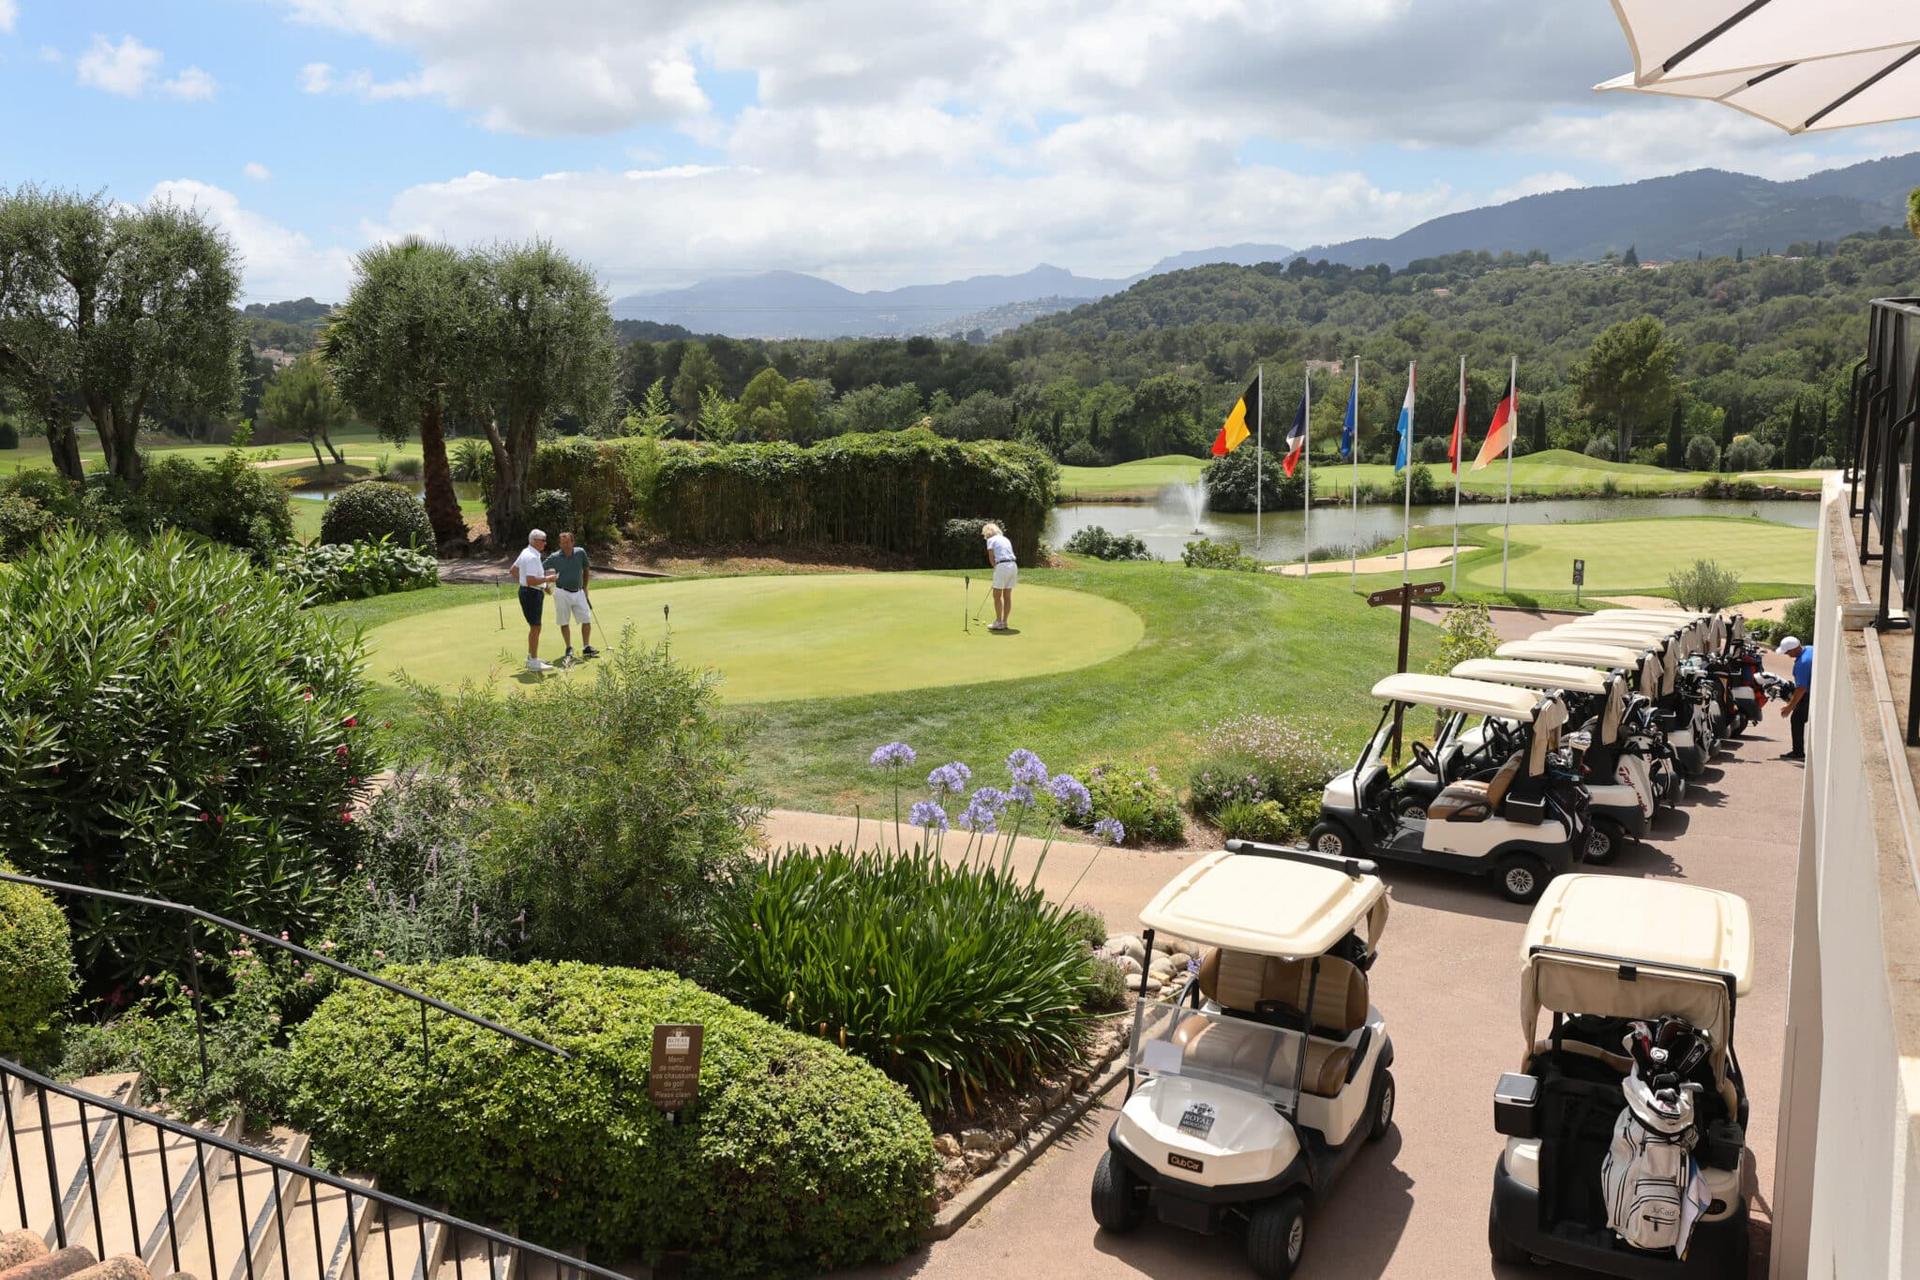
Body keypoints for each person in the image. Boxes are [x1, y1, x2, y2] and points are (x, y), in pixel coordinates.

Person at [544, 530, 597, 664]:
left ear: (573, 542)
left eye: (568, 542)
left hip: (578, 592)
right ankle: (568, 648)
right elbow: (539, 568)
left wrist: (585, 587)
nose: (565, 545)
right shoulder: (555, 557)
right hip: (562, 593)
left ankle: (586, 647)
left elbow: (586, 569)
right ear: (560, 544)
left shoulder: (580, 552)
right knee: (564, 622)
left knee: (586, 619)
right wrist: (545, 585)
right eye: (563, 543)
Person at [511, 529, 557, 673]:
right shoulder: (531, 557)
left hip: (528, 591)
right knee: (535, 627)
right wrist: (548, 579)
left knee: (535, 626)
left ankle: (532, 657)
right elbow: (531, 580)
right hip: (531, 594)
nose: (545, 543)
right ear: (534, 541)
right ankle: (533, 661)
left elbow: (513, 570)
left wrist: (527, 582)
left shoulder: (527, 552)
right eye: (543, 540)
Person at [1777, 634, 1813, 762]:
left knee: (1797, 719)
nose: (1787, 655)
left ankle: (1798, 752)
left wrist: (1789, 707)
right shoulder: (1809, 649)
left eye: (1787, 652)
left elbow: (1801, 688)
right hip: (1814, 690)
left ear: (1794, 649)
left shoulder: (1802, 664)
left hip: (1808, 694)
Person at [981, 522, 1017, 632]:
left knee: (996, 596)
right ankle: (1004, 622)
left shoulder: (990, 540)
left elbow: (991, 558)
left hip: (1002, 566)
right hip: (1013, 566)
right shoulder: (1005, 539)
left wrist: (995, 569)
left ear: (987, 532)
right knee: (1007, 596)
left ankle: (998, 621)